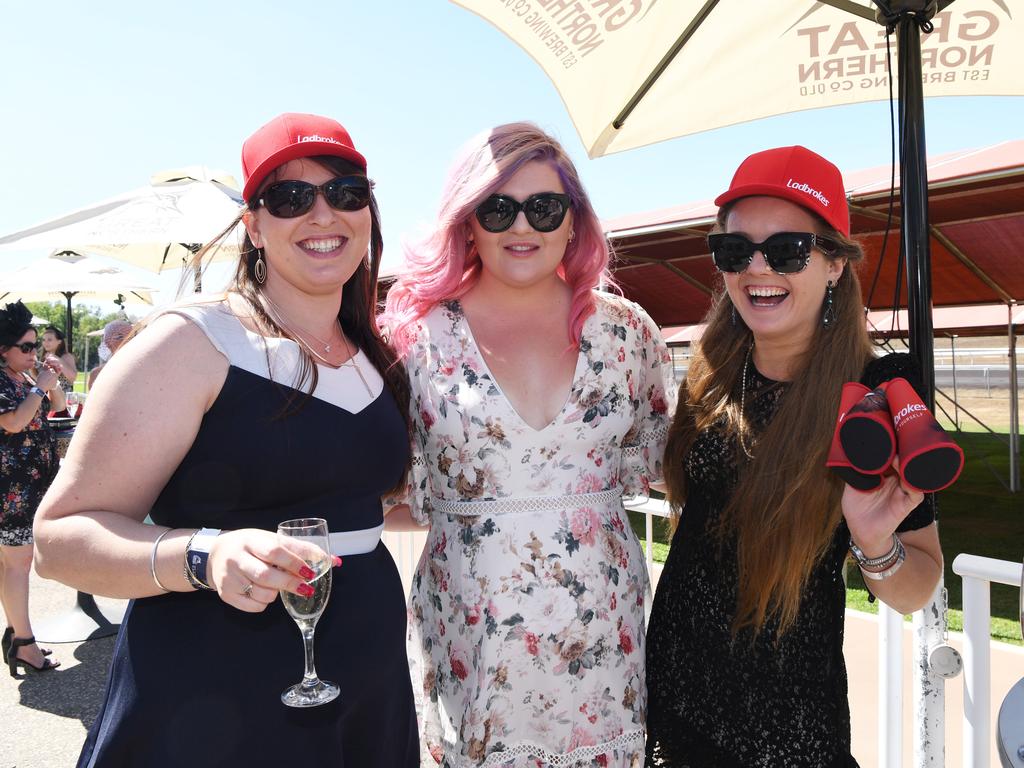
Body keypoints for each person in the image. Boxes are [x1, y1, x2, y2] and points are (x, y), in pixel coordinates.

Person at [33, 113, 419, 767]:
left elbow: (357, 505)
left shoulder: (371, 355)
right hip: (213, 704)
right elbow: (58, 540)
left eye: (346, 194)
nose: (323, 214)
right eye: (292, 197)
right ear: (254, 225)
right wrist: (205, 556)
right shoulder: (191, 344)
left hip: (367, 687)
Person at [383, 122, 674, 767]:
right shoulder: (415, 339)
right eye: (497, 208)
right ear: (468, 223)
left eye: (544, 207)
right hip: (472, 641)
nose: (523, 227)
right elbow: (388, 490)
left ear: (574, 221)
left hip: (604, 638)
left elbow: (665, 470)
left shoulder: (627, 334)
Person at [644, 146, 943, 767]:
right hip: (673, 708)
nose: (758, 268)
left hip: (787, 734)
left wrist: (873, 540)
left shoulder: (876, 398)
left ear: (835, 263)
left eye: (787, 250)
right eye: (734, 251)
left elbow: (920, 585)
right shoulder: (710, 372)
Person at [1, 300, 65, 676]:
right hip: (12, 487)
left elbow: (57, 406)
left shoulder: (25, 378)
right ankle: (24, 643)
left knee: (13, 563)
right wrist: (39, 389)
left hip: (31, 481)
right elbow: (13, 422)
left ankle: (16, 632)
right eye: (25, 347)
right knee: (18, 563)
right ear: (3, 350)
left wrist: (49, 382)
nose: (33, 354)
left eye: (35, 346)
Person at [86, 319, 132, 390]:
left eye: (131, 336)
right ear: (108, 343)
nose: (127, 340)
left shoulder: (143, 369)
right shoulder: (96, 374)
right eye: (120, 337)